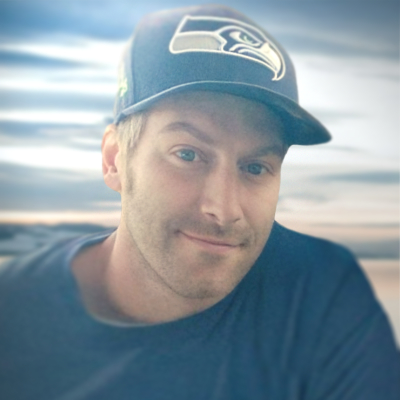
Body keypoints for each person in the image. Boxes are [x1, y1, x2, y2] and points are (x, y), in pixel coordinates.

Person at [0, 4, 398, 400]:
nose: (224, 210)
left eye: (255, 167)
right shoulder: (16, 311)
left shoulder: (319, 290)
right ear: (114, 159)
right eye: (188, 154)